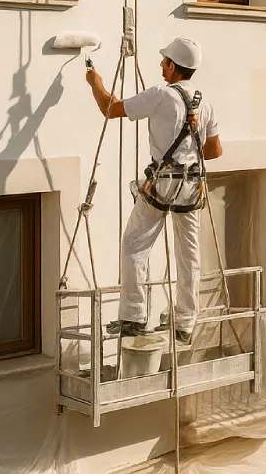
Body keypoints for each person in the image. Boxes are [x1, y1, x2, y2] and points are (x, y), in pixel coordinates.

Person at [86, 37, 222, 343]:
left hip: (163, 184)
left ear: (173, 67)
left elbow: (111, 109)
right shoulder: (206, 103)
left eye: (164, 62)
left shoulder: (161, 95)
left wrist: (95, 81)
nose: (161, 66)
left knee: (135, 242)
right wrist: (189, 147)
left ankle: (133, 316)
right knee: (190, 254)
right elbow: (214, 151)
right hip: (191, 186)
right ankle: (186, 323)